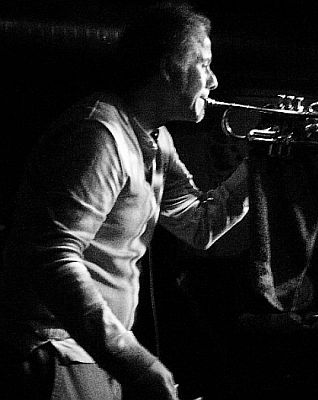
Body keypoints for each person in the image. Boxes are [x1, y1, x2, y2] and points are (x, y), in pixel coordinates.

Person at [0, 2, 248, 400]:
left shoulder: (156, 138)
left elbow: (199, 226)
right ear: (168, 67)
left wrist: (261, 169)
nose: (214, 81)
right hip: (54, 350)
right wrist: (134, 360)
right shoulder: (98, 134)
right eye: (204, 64)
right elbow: (52, 257)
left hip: (92, 353)